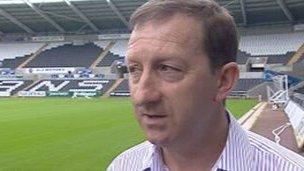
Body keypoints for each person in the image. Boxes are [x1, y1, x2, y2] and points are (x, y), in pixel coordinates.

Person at [107, 0, 304, 170]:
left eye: (167, 68)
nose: (142, 96)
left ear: (224, 80)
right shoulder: (122, 166)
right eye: (134, 69)